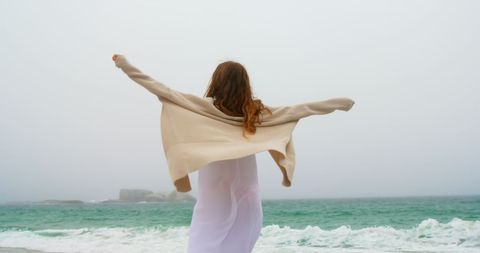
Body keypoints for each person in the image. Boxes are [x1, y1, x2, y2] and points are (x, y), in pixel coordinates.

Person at [112, 54, 270, 252]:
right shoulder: (255, 114)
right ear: (245, 84)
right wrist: (322, 104)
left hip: (214, 201)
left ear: (216, 82)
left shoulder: (204, 110)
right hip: (249, 201)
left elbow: (160, 89)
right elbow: (297, 111)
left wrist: (125, 65)